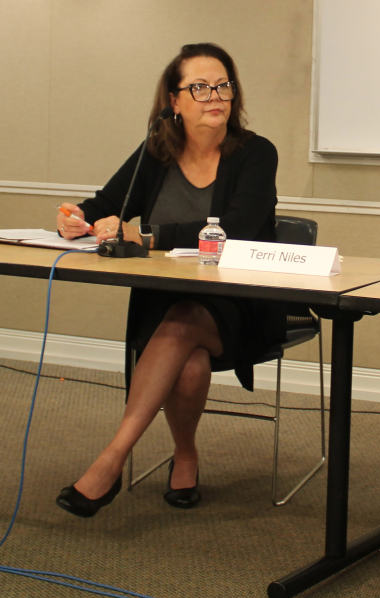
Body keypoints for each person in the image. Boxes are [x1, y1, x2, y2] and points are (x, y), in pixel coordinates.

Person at [55, 43, 287, 517]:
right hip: (164, 303)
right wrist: (75, 219)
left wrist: (147, 234)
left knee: (184, 324)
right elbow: (103, 206)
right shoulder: (156, 154)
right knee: (189, 361)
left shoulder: (256, 154)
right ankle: (185, 455)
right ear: (174, 101)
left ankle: (111, 459)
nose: (214, 96)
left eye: (223, 85)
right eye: (199, 87)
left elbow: (234, 230)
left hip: (241, 303)